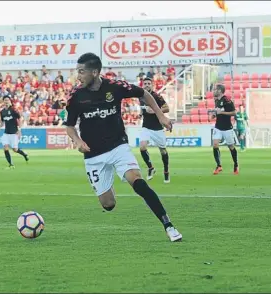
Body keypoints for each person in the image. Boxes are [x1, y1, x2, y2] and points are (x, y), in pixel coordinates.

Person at [64, 53, 182, 242]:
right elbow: (69, 126)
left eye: (81, 72)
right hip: (93, 155)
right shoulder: (77, 96)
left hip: (118, 146)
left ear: (94, 72)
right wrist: (78, 142)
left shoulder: (115, 87)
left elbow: (144, 93)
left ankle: (168, 225)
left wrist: (161, 115)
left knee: (137, 181)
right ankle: (109, 179)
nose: (78, 76)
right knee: (108, 204)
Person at [139, 78, 171, 183]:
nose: (147, 85)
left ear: (152, 85)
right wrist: (141, 113)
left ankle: (166, 171)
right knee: (142, 147)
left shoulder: (156, 96)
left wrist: (155, 110)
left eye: (149, 84)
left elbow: (167, 108)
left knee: (163, 150)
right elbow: (143, 108)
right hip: (146, 126)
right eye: (145, 84)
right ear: (143, 85)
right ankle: (151, 168)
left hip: (157, 128)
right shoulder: (141, 96)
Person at [211, 84, 238, 175]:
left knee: (231, 146)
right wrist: (214, 114)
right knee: (215, 145)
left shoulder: (227, 100)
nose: (213, 91)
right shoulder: (216, 100)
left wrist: (221, 112)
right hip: (218, 127)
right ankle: (219, 166)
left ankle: (236, 164)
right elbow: (218, 111)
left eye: (215, 89)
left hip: (227, 128)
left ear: (219, 91)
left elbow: (234, 112)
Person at [0, 96, 29, 169]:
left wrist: (19, 129)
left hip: (14, 133)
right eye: (5, 100)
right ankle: (11, 164)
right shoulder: (2, 112)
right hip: (6, 133)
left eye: (7, 100)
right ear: (3, 102)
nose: (6, 101)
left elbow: (20, 118)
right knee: (5, 148)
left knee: (15, 149)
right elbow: (2, 122)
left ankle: (24, 154)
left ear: (10, 101)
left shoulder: (13, 110)